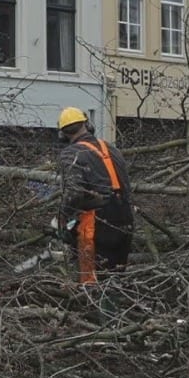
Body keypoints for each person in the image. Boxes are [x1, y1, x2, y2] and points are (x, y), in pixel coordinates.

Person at [56, 108, 134, 287]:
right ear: (87, 125)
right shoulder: (112, 149)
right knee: (115, 278)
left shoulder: (71, 153)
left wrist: (62, 220)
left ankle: (92, 303)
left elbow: (74, 193)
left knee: (91, 281)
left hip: (96, 222)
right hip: (125, 218)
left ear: (62, 133)